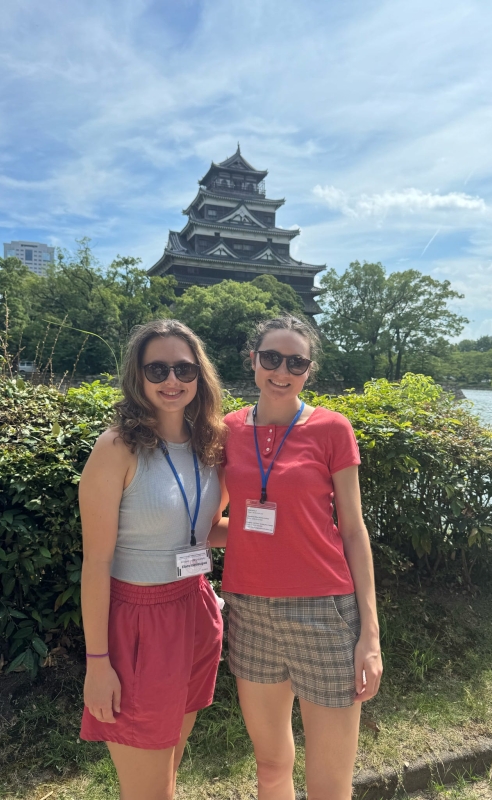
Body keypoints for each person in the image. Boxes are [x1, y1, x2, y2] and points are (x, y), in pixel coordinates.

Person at [219, 314, 383, 800]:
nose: (281, 370)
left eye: (296, 362)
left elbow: (353, 531)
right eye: (271, 358)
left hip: (325, 613)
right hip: (249, 611)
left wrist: (369, 636)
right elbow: (215, 521)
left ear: (309, 370)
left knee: (329, 786)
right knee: (270, 767)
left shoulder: (332, 429)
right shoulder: (227, 430)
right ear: (253, 361)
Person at [78, 319, 230, 800]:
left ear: (199, 375)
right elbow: (96, 563)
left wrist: (291, 533)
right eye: (157, 368)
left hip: (196, 611)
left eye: (183, 368)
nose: (172, 380)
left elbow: (204, 531)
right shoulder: (116, 448)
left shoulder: (212, 445)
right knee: (149, 791)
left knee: (168, 771)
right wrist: (97, 663)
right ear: (138, 376)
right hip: (138, 626)